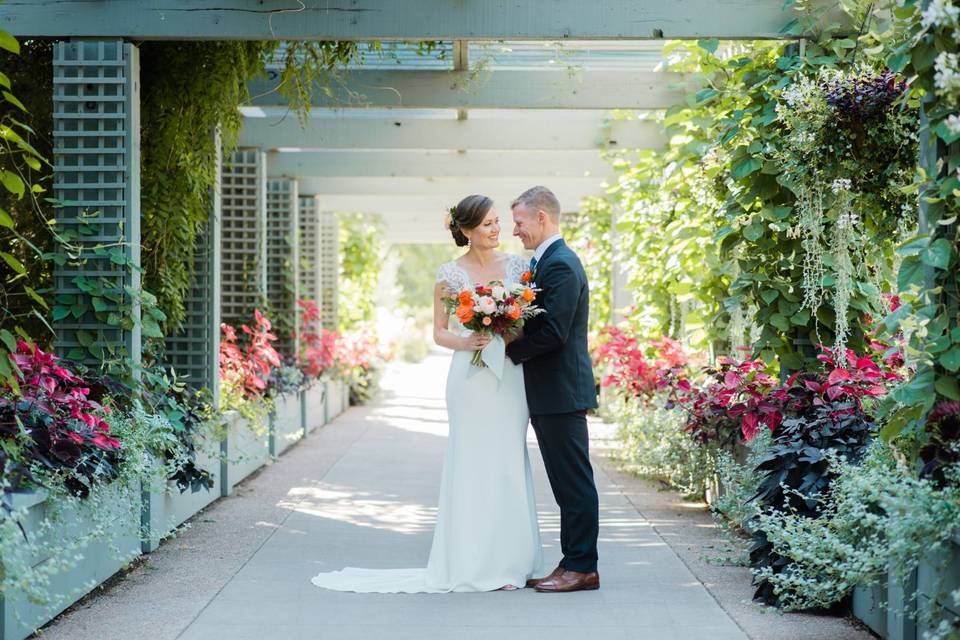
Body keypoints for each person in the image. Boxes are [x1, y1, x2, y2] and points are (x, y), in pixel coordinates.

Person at [310, 194, 543, 593]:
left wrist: (507, 326)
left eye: (496, 222)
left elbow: (528, 324)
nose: (495, 229)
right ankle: (470, 562)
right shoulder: (449, 273)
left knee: (507, 460)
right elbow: (438, 331)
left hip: (509, 377)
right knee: (470, 463)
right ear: (466, 230)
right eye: (486, 223)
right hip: (469, 380)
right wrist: (467, 342)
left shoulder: (520, 267)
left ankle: (511, 562)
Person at [506, 185, 600, 593]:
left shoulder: (560, 264)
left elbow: (554, 333)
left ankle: (583, 568)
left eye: (519, 222)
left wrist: (508, 348)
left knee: (574, 482)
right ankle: (571, 562)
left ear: (541, 217)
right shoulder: (545, 262)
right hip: (551, 393)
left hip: (561, 391)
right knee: (565, 484)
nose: (515, 231)